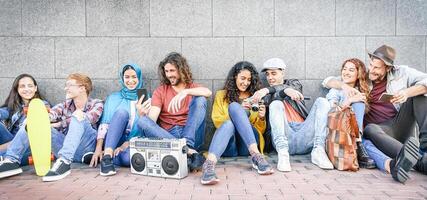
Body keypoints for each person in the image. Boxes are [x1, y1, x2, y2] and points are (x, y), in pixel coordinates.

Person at [323, 45, 427, 183]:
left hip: (399, 124)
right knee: (370, 128)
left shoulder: (402, 72)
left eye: (376, 68)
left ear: (388, 68)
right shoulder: (363, 77)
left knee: (420, 96)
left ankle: (425, 149)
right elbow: (327, 81)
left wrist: (406, 93)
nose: (371, 70)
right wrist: (344, 86)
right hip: (377, 132)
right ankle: (421, 162)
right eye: (371, 65)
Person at [0, 73, 103, 182]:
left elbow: (91, 118)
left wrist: (59, 124)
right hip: (64, 146)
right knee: (33, 122)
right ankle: (11, 161)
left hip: (85, 148)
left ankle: (64, 162)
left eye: (69, 85)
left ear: (82, 88)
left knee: (78, 116)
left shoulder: (97, 104)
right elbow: (51, 114)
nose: (65, 88)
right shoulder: (64, 105)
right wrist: (37, 119)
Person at [251, 58, 333, 172]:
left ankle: (319, 150)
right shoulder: (265, 95)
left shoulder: (294, 84)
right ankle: (283, 156)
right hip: (283, 138)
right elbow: (276, 95)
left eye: (274, 73)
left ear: (283, 73)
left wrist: (282, 90)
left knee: (322, 101)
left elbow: (290, 89)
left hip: (305, 134)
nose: (270, 77)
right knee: (276, 103)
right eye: (267, 74)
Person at [200, 61, 274, 185]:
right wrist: (239, 110)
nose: (246, 83)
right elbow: (217, 121)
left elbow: (259, 131)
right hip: (229, 145)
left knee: (235, 109)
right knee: (234, 108)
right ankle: (209, 165)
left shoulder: (255, 97)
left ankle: (256, 156)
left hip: (248, 145)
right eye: (243, 78)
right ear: (235, 76)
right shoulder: (221, 95)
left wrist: (261, 118)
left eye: (249, 80)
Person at [136, 52, 211, 170]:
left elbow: (208, 92)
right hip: (169, 134)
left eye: (172, 71)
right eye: (166, 71)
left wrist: (186, 92)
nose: (169, 75)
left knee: (201, 99)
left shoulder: (192, 87)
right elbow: (152, 120)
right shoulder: (160, 91)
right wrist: (142, 114)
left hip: (192, 133)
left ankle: (187, 148)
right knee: (142, 121)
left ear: (181, 70)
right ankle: (190, 152)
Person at [90, 64, 145, 176]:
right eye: (127, 77)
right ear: (122, 78)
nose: (130, 81)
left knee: (128, 159)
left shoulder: (144, 97)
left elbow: (145, 126)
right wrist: (98, 148)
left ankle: (112, 157)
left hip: (132, 144)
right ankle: (107, 158)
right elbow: (104, 125)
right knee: (121, 113)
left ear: (139, 78)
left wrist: (127, 143)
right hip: (112, 142)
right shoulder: (113, 98)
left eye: (134, 77)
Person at [325, 58, 375, 168]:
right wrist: (349, 101)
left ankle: (389, 163)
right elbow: (331, 113)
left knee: (370, 146)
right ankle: (358, 144)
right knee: (358, 103)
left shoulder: (361, 89)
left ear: (358, 74)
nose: (346, 72)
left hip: (351, 132)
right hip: (335, 132)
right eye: (344, 69)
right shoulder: (336, 90)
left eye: (351, 70)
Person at [0, 74, 49, 153]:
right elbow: (5, 112)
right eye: (22, 86)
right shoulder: (14, 105)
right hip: (10, 141)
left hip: (27, 145)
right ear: (17, 89)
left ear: (35, 88)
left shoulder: (42, 105)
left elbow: (33, 137)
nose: (27, 89)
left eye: (30, 86)